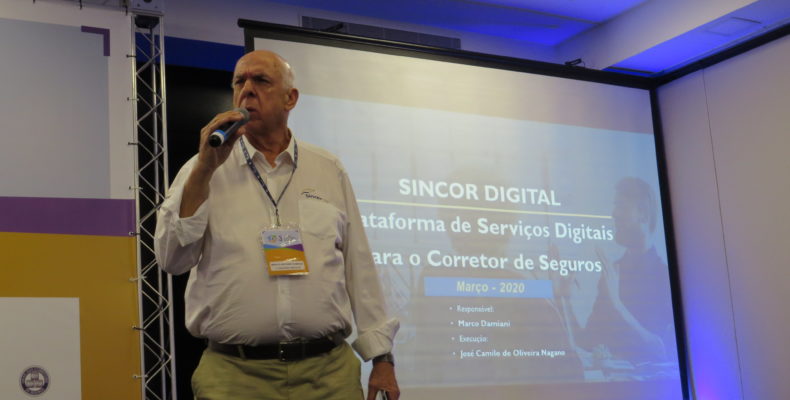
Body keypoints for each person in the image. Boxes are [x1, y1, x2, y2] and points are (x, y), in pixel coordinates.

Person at [154, 50, 400, 400]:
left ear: (290, 98)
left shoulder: (327, 168)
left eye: (261, 81)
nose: (247, 90)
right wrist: (205, 170)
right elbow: (171, 259)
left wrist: (382, 357)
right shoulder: (201, 169)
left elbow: (358, 266)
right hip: (234, 377)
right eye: (239, 82)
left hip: (328, 374)